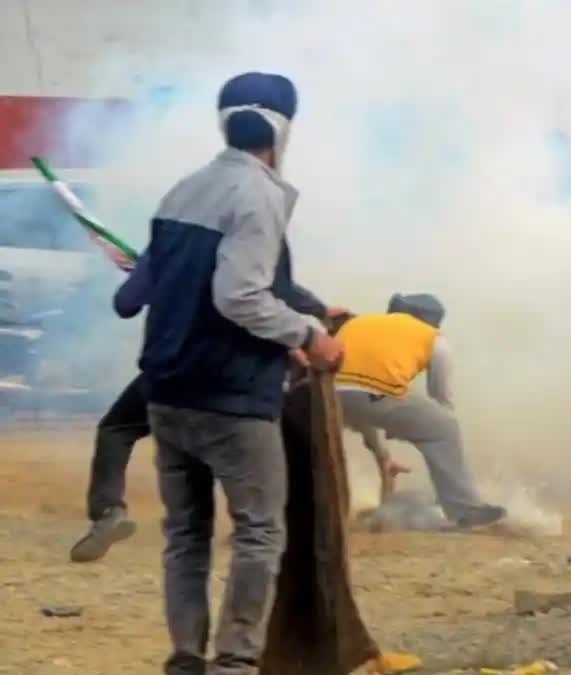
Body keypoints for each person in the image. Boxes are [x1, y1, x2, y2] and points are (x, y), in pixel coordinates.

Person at [137, 71, 345, 675]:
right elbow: (239, 296)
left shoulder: (183, 189)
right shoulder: (257, 194)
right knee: (258, 532)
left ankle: (186, 658)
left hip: (168, 389)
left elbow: (186, 294)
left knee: (186, 536)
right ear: (284, 130)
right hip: (230, 397)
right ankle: (234, 664)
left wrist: (285, 342)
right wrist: (308, 335)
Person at [68, 251, 341, 563]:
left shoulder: (169, 247)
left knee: (117, 429)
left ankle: (108, 512)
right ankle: (259, 529)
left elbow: (125, 303)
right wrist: (315, 314)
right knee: (236, 451)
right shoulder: (251, 247)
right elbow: (278, 294)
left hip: (174, 370)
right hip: (236, 376)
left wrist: (147, 272)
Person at [332, 293, 506, 529]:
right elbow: (441, 398)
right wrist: (429, 432)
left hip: (328, 394)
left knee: (365, 408)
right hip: (373, 394)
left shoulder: (358, 323)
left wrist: (384, 453)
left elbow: (357, 404)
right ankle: (464, 508)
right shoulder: (433, 337)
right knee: (445, 427)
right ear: (432, 320)